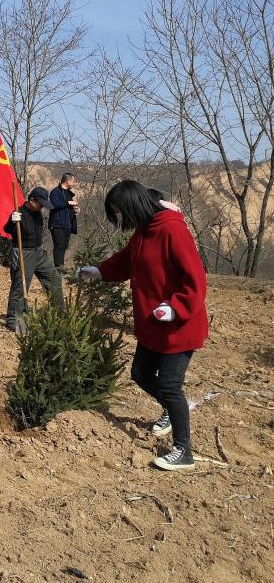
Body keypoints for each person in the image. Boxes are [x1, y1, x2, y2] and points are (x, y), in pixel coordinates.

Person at [78, 180, 207, 471]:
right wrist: (100, 271)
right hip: (152, 324)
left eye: (119, 211)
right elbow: (128, 260)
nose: (120, 218)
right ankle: (172, 410)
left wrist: (175, 307)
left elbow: (196, 278)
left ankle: (183, 450)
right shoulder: (144, 230)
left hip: (178, 326)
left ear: (133, 206)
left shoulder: (171, 230)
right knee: (141, 373)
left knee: (170, 385)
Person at [3, 186, 64, 332]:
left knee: (54, 278)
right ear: (32, 200)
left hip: (39, 252)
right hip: (24, 253)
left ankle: (60, 314)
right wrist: (13, 221)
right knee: (20, 287)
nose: (42, 207)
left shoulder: (38, 213)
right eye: (40, 204)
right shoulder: (18, 213)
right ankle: (14, 319)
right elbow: (7, 230)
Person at [48, 173, 79, 268]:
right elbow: (55, 204)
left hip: (67, 225)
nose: (74, 183)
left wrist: (75, 209)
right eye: (73, 181)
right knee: (59, 247)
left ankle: (61, 267)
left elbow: (67, 207)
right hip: (58, 224)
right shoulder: (55, 192)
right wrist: (68, 202)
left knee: (64, 247)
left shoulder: (68, 193)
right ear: (67, 181)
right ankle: (58, 269)